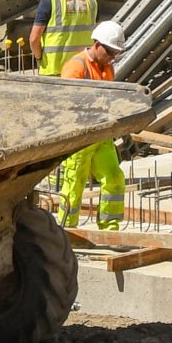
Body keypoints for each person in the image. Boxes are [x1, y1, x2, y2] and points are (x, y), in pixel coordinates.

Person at [58, 20, 129, 230]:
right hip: (79, 136)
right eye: (110, 52)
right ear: (97, 45)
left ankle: (110, 227)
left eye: (115, 54)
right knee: (74, 184)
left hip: (101, 135)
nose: (112, 57)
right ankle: (67, 230)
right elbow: (67, 104)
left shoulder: (108, 68)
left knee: (114, 177)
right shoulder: (76, 67)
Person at [31, 0, 97, 76]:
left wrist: (40, 59)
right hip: (82, 71)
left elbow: (34, 39)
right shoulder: (90, 0)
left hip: (54, 71)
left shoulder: (51, 0)